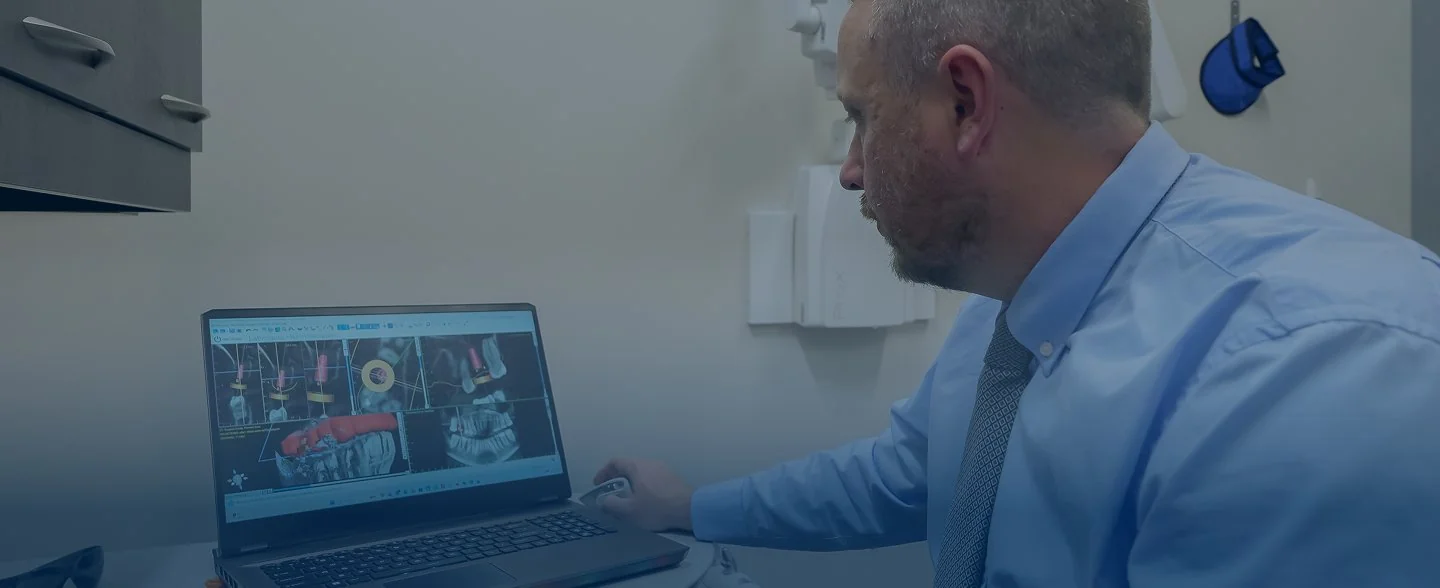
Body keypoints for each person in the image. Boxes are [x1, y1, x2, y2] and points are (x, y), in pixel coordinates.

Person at [594, 0, 1440, 586]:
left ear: (968, 101)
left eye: (863, 116)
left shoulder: (1311, 368)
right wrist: (690, 507)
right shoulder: (1023, 293)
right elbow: (910, 474)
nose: (851, 170)